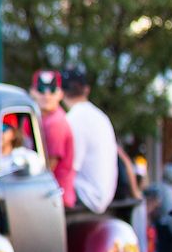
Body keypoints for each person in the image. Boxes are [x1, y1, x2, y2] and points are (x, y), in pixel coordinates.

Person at [63, 64, 119, 215]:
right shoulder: (100, 116)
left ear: (61, 93)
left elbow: (70, 167)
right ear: (86, 89)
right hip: (104, 196)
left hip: (88, 197)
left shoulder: (73, 119)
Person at [29, 68, 79, 209]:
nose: (46, 96)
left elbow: (47, 168)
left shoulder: (55, 123)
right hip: (46, 196)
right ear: (32, 92)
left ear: (60, 94)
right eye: (41, 90)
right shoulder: (35, 119)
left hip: (55, 200)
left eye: (51, 91)